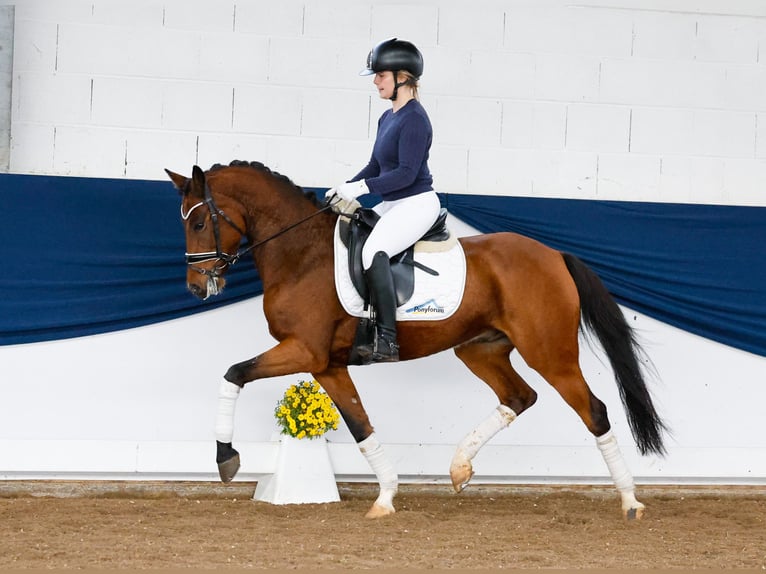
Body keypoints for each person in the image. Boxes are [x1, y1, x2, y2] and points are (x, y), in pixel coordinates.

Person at [328, 38, 441, 363]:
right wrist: (346, 186)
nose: (376, 81)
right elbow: (377, 166)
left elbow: (405, 174)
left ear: (402, 77)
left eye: (380, 75)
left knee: (374, 250)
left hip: (417, 202)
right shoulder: (387, 117)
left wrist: (361, 188)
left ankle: (387, 340)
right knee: (351, 237)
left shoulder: (415, 120)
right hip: (394, 202)